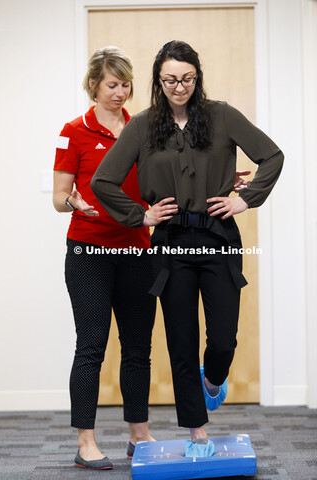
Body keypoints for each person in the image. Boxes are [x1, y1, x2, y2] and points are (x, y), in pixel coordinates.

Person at [91, 40, 284, 444]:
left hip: (217, 239)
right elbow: (103, 181)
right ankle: (197, 430)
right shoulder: (143, 125)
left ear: (197, 77)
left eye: (187, 79)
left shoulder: (222, 116)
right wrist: (140, 216)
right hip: (171, 243)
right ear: (158, 81)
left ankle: (213, 379)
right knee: (181, 341)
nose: (179, 87)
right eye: (169, 80)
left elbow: (272, 156)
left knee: (223, 339)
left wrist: (244, 200)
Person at [53, 46, 157, 470]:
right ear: (93, 85)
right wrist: (72, 202)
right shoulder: (73, 131)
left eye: (126, 84)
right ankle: (85, 441)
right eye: (112, 84)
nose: (120, 92)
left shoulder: (145, 130)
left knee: (138, 348)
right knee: (91, 346)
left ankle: (139, 434)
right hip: (89, 252)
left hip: (136, 250)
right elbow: (59, 198)